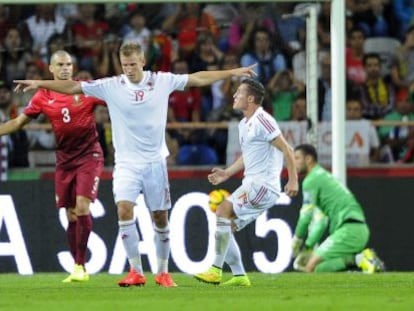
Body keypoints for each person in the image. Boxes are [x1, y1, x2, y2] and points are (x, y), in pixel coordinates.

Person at [14, 41, 257, 288]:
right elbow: (72, 86)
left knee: (160, 217)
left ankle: (162, 272)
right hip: (126, 164)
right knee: (123, 209)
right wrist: (39, 83)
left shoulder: (161, 81)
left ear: (142, 61)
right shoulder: (111, 86)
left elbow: (198, 78)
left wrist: (233, 72)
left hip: (155, 163)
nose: (129, 69)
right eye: (124, 65)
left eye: (132, 64)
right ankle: (136, 271)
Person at [1, 50, 105, 282]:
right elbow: (18, 123)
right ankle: (78, 266)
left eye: (69, 64)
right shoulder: (42, 97)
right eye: (60, 64)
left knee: (82, 206)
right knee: (70, 215)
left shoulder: (85, 89)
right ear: (51, 69)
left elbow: (116, 97)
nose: (66, 68)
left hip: (90, 156)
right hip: (65, 161)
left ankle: (80, 266)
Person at [194, 78, 299, 286]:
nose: (234, 96)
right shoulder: (244, 124)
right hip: (251, 183)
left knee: (223, 210)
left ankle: (215, 269)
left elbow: (287, 149)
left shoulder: (263, 120)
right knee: (226, 226)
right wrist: (226, 173)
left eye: (239, 93)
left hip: (263, 185)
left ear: (250, 98)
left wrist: (293, 180)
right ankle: (240, 275)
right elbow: (248, 156)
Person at [291, 143, 384, 273]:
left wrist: (296, 241)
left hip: (348, 230)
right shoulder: (323, 177)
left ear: (308, 159)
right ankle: (359, 262)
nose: (293, 162)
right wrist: (308, 247)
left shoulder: (311, 180)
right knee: (319, 268)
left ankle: (360, 259)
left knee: (310, 266)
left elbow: (306, 216)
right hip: (357, 229)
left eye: (296, 158)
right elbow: (320, 223)